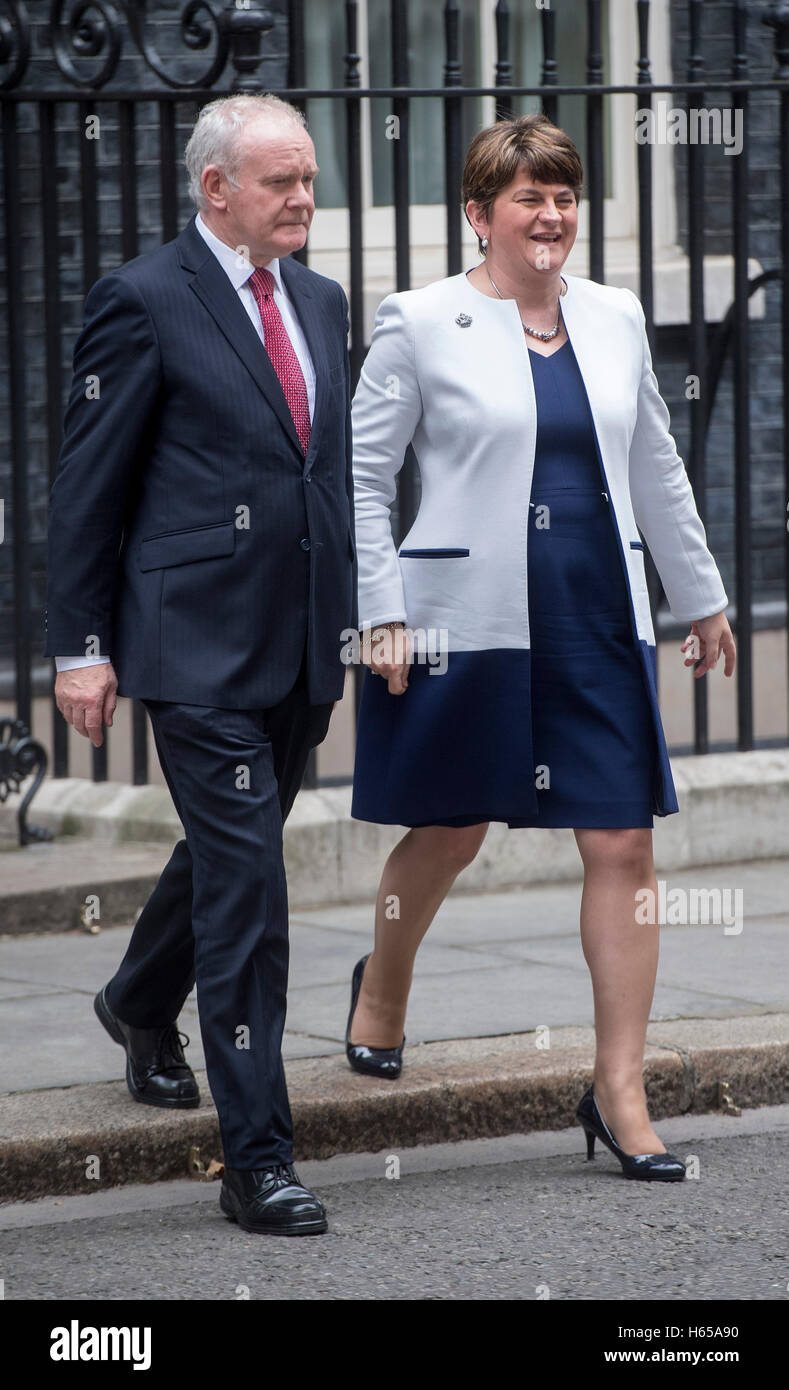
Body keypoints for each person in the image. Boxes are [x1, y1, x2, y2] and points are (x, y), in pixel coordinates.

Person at [345, 113, 735, 1181]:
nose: (553, 214)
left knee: (623, 844)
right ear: (481, 216)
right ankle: (380, 990)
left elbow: (656, 462)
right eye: (530, 197)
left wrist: (701, 598)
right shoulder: (420, 320)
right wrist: (378, 610)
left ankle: (619, 1088)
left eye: (565, 196)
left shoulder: (613, 316)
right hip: (463, 616)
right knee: (453, 822)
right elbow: (364, 481)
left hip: (594, 614)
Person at [45, 94, 357, 1234]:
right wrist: (80, 647)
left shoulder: (319, 300)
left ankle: (135, 999)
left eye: (309, 178)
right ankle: (256, 1156)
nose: (303, 199)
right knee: (251, 890)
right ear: (215, 188)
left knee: (239, 850)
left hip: (302, 638)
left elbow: (324, 477)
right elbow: (87, 486)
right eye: (279, 182)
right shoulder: (142, 300)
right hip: (194, 647)